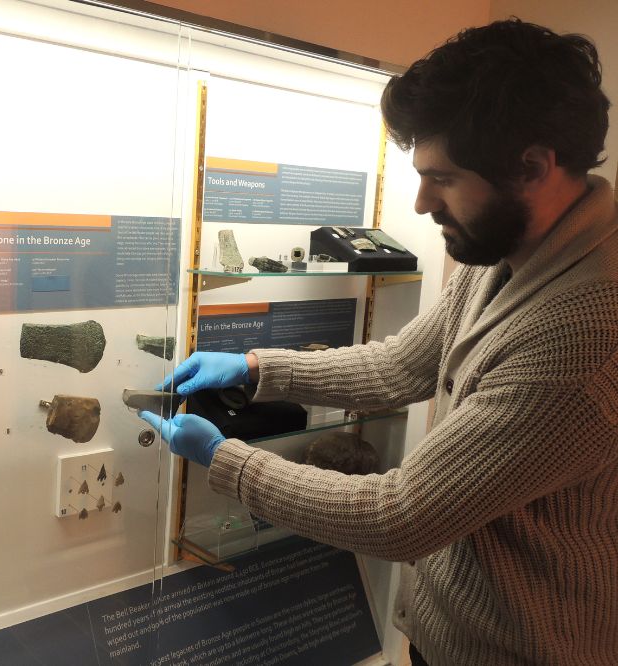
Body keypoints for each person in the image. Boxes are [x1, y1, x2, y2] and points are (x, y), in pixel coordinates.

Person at [140, 18, 618, 666]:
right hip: (458, 632)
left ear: (532, 167)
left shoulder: (584, 335)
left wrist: (227, 460)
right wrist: (256, 367)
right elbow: (398, 365)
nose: (420, 203)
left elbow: (399, 516)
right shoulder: (507, 247)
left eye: (442, 178)